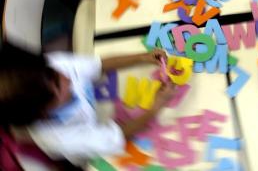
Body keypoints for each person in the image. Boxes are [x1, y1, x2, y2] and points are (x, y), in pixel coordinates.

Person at [0, 44, 176, 166]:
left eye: (54, 72)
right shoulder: (58, 138)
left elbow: (98, 65)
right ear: (44, 113)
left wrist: (142, 57)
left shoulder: (46, 69)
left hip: (103, 109)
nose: (66, 77)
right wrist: (156, 107)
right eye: (59, 88)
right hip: (94, 142)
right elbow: (117, 135)